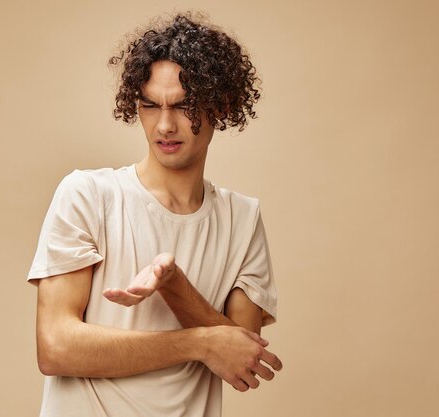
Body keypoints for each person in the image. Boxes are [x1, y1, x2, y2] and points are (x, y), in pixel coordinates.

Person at [27, 12, 282, 417]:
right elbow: (56, 347)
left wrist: (174, 284)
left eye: (185, 107)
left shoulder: (242, 220)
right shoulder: (88, 195)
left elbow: (241, 360)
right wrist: (197, 343)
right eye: (150, 105)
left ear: (223, 104)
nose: (164, 125)